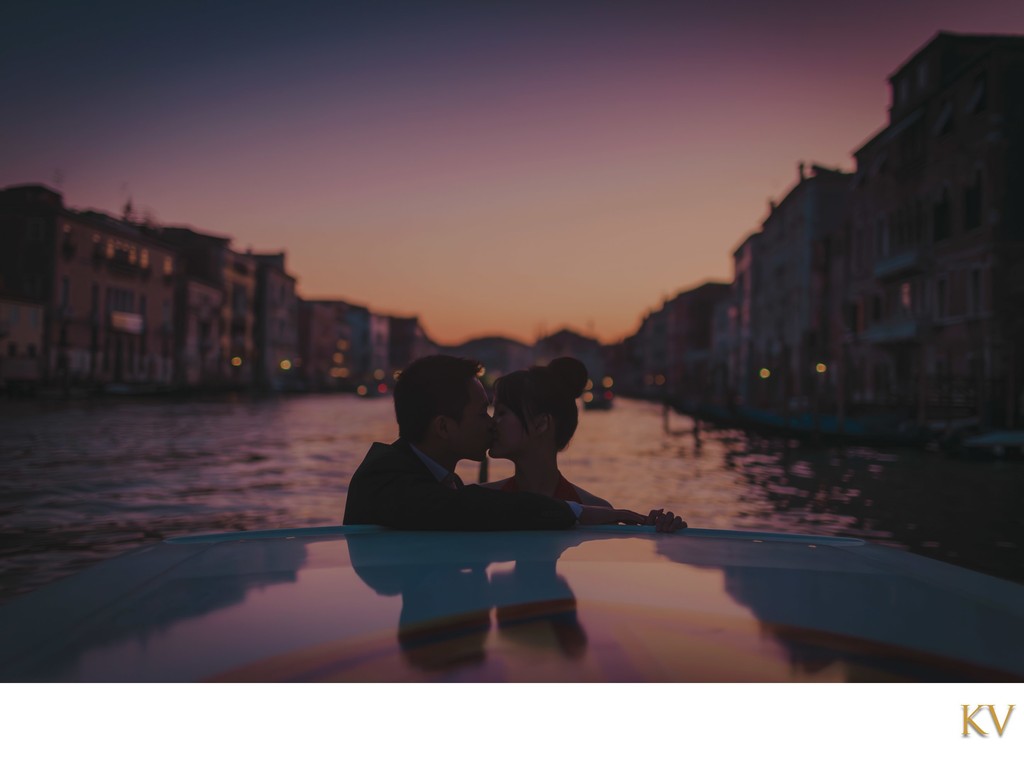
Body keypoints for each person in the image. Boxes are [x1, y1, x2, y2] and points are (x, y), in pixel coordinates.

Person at [344, 354, 648, 530]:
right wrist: (578, 512)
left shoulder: (449, 488)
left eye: (499, 412)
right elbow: (462, 509)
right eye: (483, 413)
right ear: (443, 427)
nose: (491, 423)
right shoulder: (383, 477)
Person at [485, 357, 686, 533]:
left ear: (541, 424)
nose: (491, 422)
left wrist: (658, 534)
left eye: (501, 413)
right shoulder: (596, 510)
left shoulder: (483, 501)